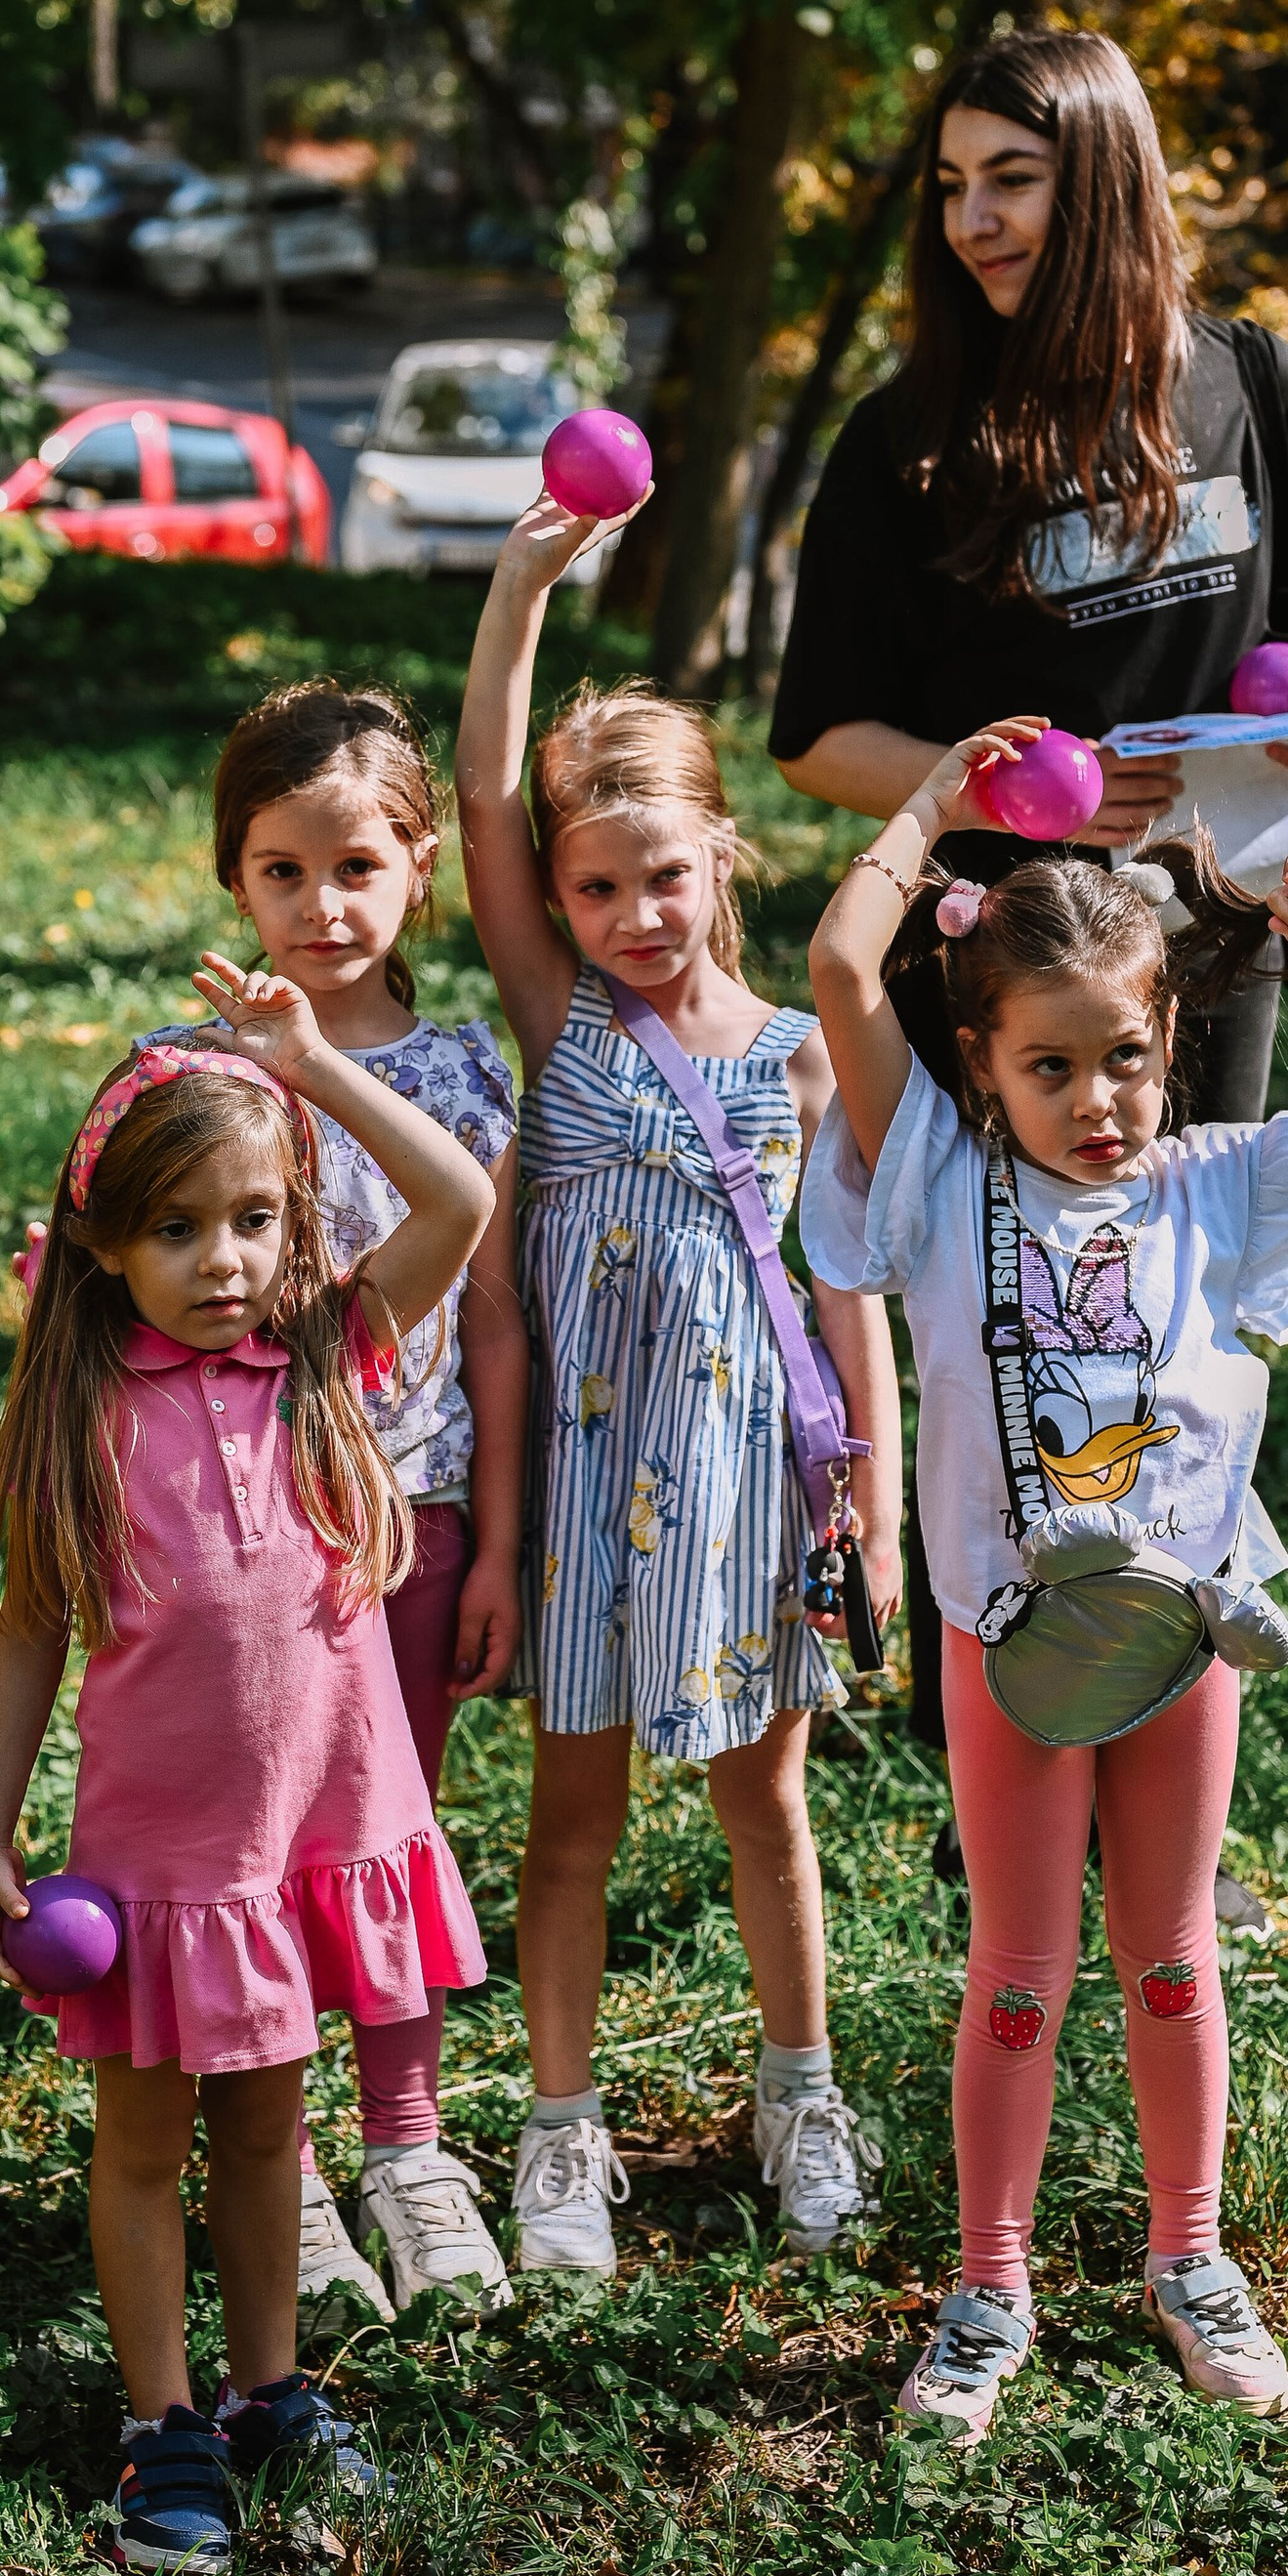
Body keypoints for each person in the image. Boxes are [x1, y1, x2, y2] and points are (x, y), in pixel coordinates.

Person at [802, 722, 1288, 2447]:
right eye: (1054, 1068)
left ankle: (1192, 2259)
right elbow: (831, 959)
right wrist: (934, 809)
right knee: (1019, 1970)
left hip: (1186, 1637)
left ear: (1172, 1041)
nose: (1098, 1102)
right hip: (1007, 1637)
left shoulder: (1219, 1187)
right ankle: (989, 2284)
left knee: (1173, 1958)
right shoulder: (939, 1184)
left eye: (1126, 1058)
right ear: (982, 1068)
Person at [769, 26, 1288, 1786]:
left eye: (1014, 178)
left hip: (1205, 964)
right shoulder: (907, 441)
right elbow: (817, 735)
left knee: (1184, 1356)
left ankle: (1173, 1782)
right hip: (1009, 988)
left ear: (1104, 175)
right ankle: (1011, 1769)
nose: (973, 218)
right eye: (953, 184)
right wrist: (978, 787)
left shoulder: (1250, 384)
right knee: (1018, 1368)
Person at [0, 965, 495, 2576]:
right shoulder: (81, 1406)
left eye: (257, 1221)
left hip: (302, 1845)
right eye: (181, 1230)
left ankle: (271, 2388)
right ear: (105, 1245)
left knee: (270, 2135)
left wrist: (313, 1067)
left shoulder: (328, 1360)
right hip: (158, 1869)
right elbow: (30, 1633)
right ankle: (161, 2420)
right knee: (144, 2146)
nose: (225, 1262)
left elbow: (461, 1197)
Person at [455, 496, 905, 2280]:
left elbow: (842, 1285)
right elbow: (486, 792)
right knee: (570, 1826)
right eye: (594, 886)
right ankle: (560, 2132)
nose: (634, 913)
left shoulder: (801, 1060)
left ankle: (801, 2090)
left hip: (747, 1486)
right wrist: (521, 589)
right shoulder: (559, 1012)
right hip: (578, 1495)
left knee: (764, 1803)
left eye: (663, 875)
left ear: (726, 857)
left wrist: (868, 1499)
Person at [206, 680, 527, 2333]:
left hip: (417, 1525)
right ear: (233, 879)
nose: (320, 907)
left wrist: (504, 1547)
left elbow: (491, 1327)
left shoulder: (472, 1074)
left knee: (395, 1841)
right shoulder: (187, 1074)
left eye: (356, 866)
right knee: (267, 1854)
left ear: (420, 870)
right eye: (281, 871)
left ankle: (404, 2143)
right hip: (240, 1556)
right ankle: (292, 2169)